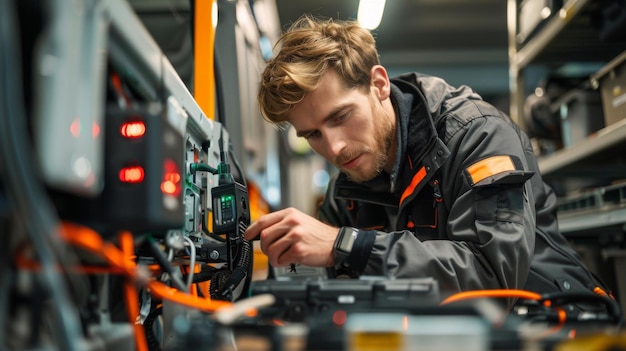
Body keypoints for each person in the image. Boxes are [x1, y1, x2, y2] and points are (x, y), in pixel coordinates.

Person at [244, 15, 613, 306]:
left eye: (340, 117)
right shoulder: (354, 178)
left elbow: (492, 276)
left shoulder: (478, 135)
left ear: (379, 84)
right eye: (313, 135)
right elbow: (328, 273)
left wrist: (349, 246)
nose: (335, 148)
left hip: (555, 322)